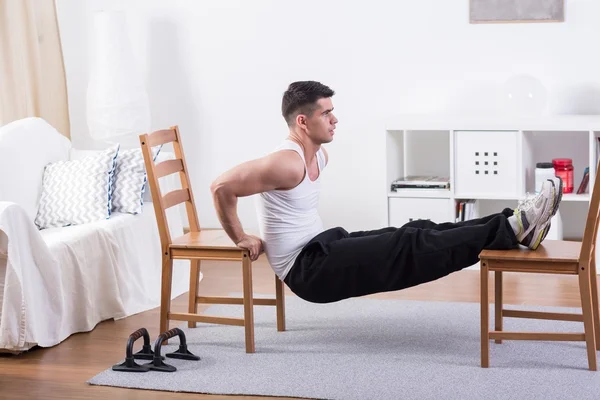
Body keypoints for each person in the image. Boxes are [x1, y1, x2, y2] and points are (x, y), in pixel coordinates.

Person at [210, 81, 563, 304]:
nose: (335, 120)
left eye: (333, 112)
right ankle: (515, 227)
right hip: (308, 271)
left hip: (324, 246)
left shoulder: (319, 154)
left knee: (418, 229)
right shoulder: (285, 162)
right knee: (410, 246)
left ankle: (513, 223)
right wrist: (240, 236)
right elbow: (222, 186)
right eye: (326, 113)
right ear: (302, 121)